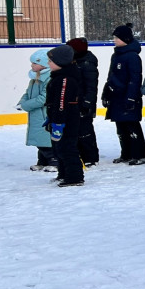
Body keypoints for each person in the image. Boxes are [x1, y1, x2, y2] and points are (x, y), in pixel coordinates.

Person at [102, 23, 145, 165]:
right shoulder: (116, 55)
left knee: (132, 126)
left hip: (127, 97)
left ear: (126, 39)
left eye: (117, 37)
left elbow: (135, 79)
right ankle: (126, 153)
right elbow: (111, 76)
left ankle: (139, 154)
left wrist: (131, 97)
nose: (114, 40)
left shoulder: (132, 56)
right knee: (121, 127)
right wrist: (106, 93)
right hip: (116, 97)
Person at [45, 44, 84, 187]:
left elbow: (62, 102)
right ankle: (63, 173)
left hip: (67, 120)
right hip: (58, 118)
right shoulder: (58, 77)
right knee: (59, 147)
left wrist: (58, 122)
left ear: (60, 62)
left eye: (51, 61)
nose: (48, 63)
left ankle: (75, 177)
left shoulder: (65, 79)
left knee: (67, 148)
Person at [18, 49, 54, 171]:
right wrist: (22, 102)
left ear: (43, 64)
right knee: (39, 138)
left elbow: (43, 98)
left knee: (45, 138)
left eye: (34, 63)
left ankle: (54, 160)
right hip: (36, 113)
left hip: (44, 114)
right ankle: (42, 161)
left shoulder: (49, 78)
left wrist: (26, 105)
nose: (32, 65)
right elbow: (28, 93)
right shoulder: (34, 79)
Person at [66, 38, 100, 167]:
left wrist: (87, 103)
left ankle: (91, 157)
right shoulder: (75, 62)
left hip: (85, 103)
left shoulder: (87, 63)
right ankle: (81, 155)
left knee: (85, 131)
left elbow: (91, 86)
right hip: (75, 102)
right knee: (77, 130)